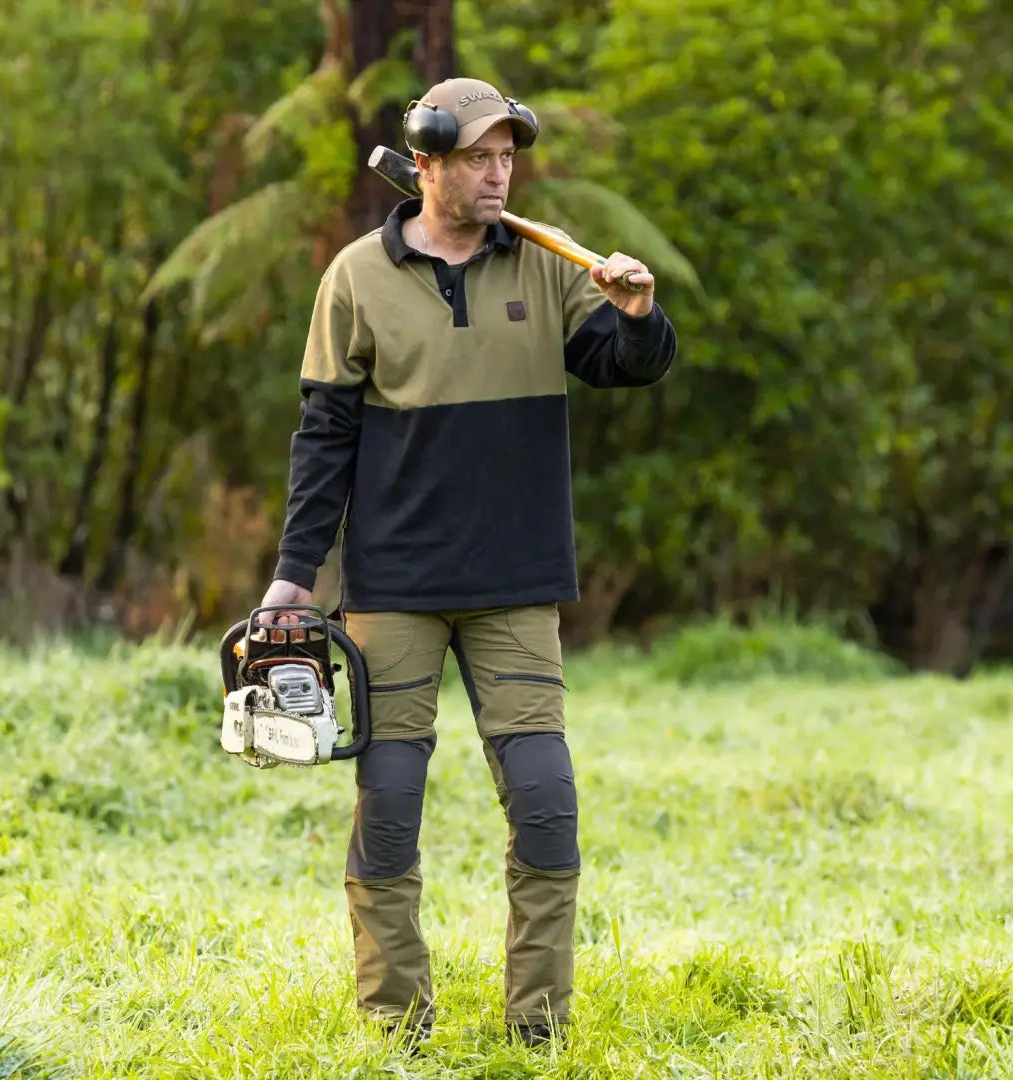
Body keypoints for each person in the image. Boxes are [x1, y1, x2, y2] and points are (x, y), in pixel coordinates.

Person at [259, 77, 676, 1046]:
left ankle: (540, 1034)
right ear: (428, 162)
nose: (499, 175)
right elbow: (322, 439)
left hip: (517, 583)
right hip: (393, 586)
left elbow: (624, 366)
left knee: (544, 808)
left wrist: (638, 315)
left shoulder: (546, 266)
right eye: (479, 158)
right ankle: (394, 1033)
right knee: (391, 808)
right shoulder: (355, 278)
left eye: (508, 158)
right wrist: (293, 574)